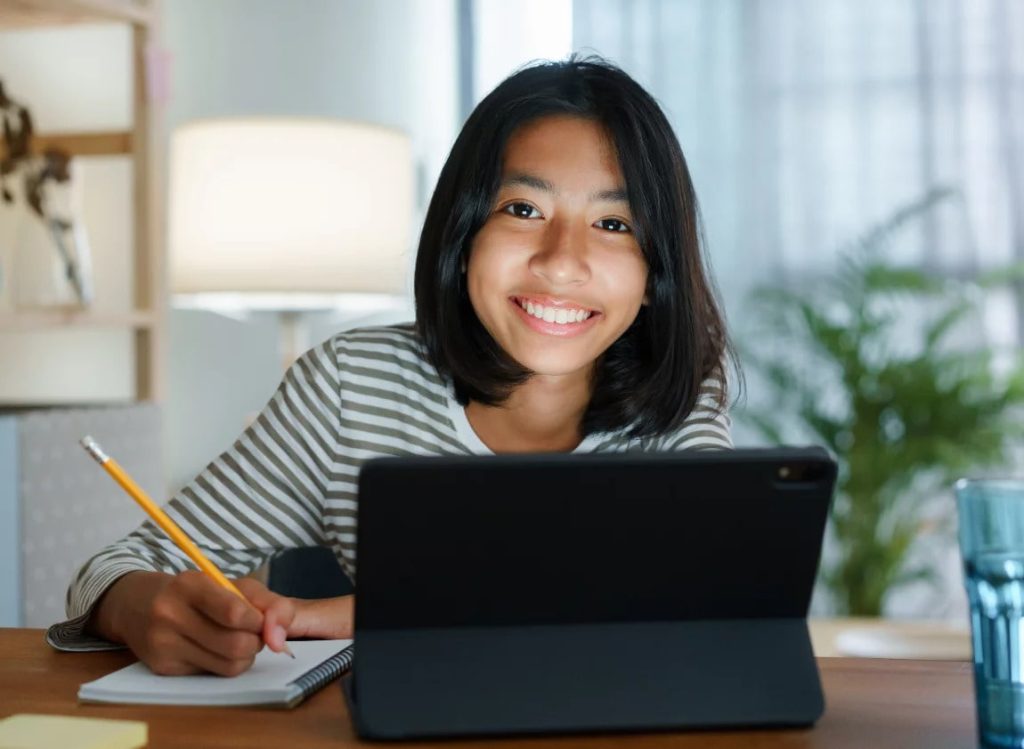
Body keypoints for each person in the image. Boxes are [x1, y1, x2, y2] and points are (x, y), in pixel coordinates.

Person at [47, 56, 735, 676]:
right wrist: (141, 608)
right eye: (522, 208)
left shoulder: (680, 396)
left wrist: (373, 613)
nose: (560, 260)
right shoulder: (350, 387)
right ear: (463, 238)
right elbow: (106, 571)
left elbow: (707, 609)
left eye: (614, 224)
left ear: (655, 274)